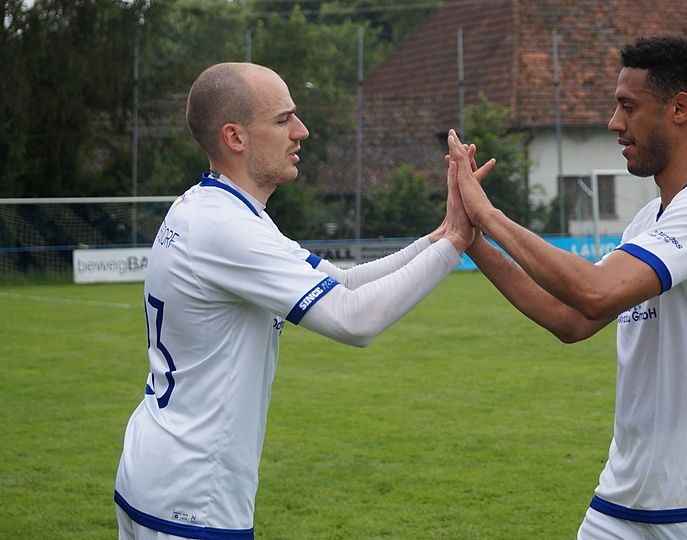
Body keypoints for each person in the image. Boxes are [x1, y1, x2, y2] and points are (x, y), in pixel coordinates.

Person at [114, 62, 485, 539]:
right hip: (192, 496)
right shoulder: (224, 226)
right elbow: (354, 320)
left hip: (159, 473)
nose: (301, 131)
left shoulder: (221, 209)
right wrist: (456, 242)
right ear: (235, 137)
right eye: (282, 119)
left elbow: (344, 283)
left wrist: (441, 235)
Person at [446, 35, 687, 538]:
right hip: (623, 498)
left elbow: (595, 291)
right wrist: (471, 238)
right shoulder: (646, 222)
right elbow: (572, 319)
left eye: (628, 106)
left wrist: (487, 213)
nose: (614, 123)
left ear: (679, 109)